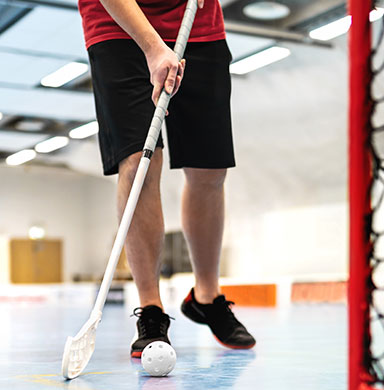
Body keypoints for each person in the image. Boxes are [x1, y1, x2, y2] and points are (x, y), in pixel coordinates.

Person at [77, 0, 256, 355]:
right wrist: (153, 48)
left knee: (210, 167)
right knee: (139, 164)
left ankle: (206, 297)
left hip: (198, 25)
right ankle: (151, 309)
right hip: (117, 26)